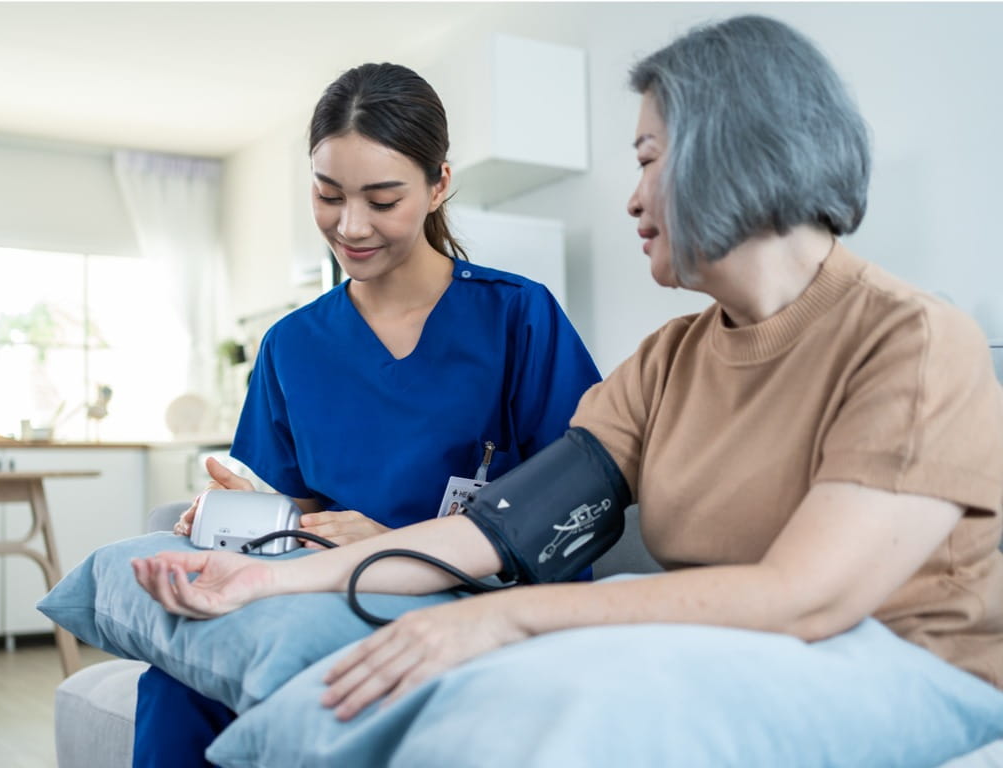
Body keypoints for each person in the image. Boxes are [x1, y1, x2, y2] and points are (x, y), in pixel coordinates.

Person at [134, 16, 1003, 764]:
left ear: (739, 150)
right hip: (729, 645)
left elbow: (806, 594)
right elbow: (500, 527)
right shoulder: (669, 361)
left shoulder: (912, 338)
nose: (629, 199)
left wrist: (505, 623)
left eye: (649, 157)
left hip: (906, 660)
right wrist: (261, 583)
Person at [131, 61, 600, 767]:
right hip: (319, 592)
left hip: (471, 600)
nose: (350, 227)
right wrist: (243, 516)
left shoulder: (516, 317)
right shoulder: (292, 346)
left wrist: (391, 542)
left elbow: (575, 510)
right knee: (177, 683)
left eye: (383, 200)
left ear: (439, 184)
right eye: (328, 196)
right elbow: (286, 505)